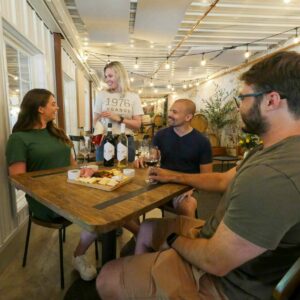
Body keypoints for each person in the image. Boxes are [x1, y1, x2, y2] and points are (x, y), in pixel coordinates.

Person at [96, 51, 300, 299]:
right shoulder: (271, 150)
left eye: (243, 98)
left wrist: (174, 240)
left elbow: (215, 261)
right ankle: (149, 274)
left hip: (224, 283)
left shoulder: (271, 175)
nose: (239, 108)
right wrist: (174, 176)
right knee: (148, 228)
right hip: (217, 239)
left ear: (271, 100)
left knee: (107, 276)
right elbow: (222, 180)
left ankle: (151, 275)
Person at [6, 89, 97, 281]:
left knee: (111, 200)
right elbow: (18, 180)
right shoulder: (19, 139)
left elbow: (72, 166)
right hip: (46, 201)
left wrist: (86, 170)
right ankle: (79, 256)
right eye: (53, 103)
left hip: (71, 190)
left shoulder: (56, 133)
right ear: (40, 108)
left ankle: (143, 238)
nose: (58, 107)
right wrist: (56, 188)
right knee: (100, 212)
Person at [136, 98, 213, 217]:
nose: (169, 114)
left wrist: (191, 188)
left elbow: (207, 177)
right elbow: (152, 157)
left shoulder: (202, 141)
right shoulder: (161, 135)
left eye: (175, 112)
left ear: (188, 117)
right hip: (162, 183)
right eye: (170, 111)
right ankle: (142, 233)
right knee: (128, 201)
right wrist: (143, 159)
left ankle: (186, 235)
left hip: (187, 186)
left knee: (188, 205)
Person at [93, 61, 144, 162]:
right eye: (106, 77)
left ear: (120, 75)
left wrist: (119, 118)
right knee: (103, 174)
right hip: (105, 141)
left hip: (126, 140)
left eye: (110, 76)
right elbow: (95, 120)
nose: (107, 80)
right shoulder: (102, 95)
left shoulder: (133, 96)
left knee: (125, 173)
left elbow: (138, 124)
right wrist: (98, 136)